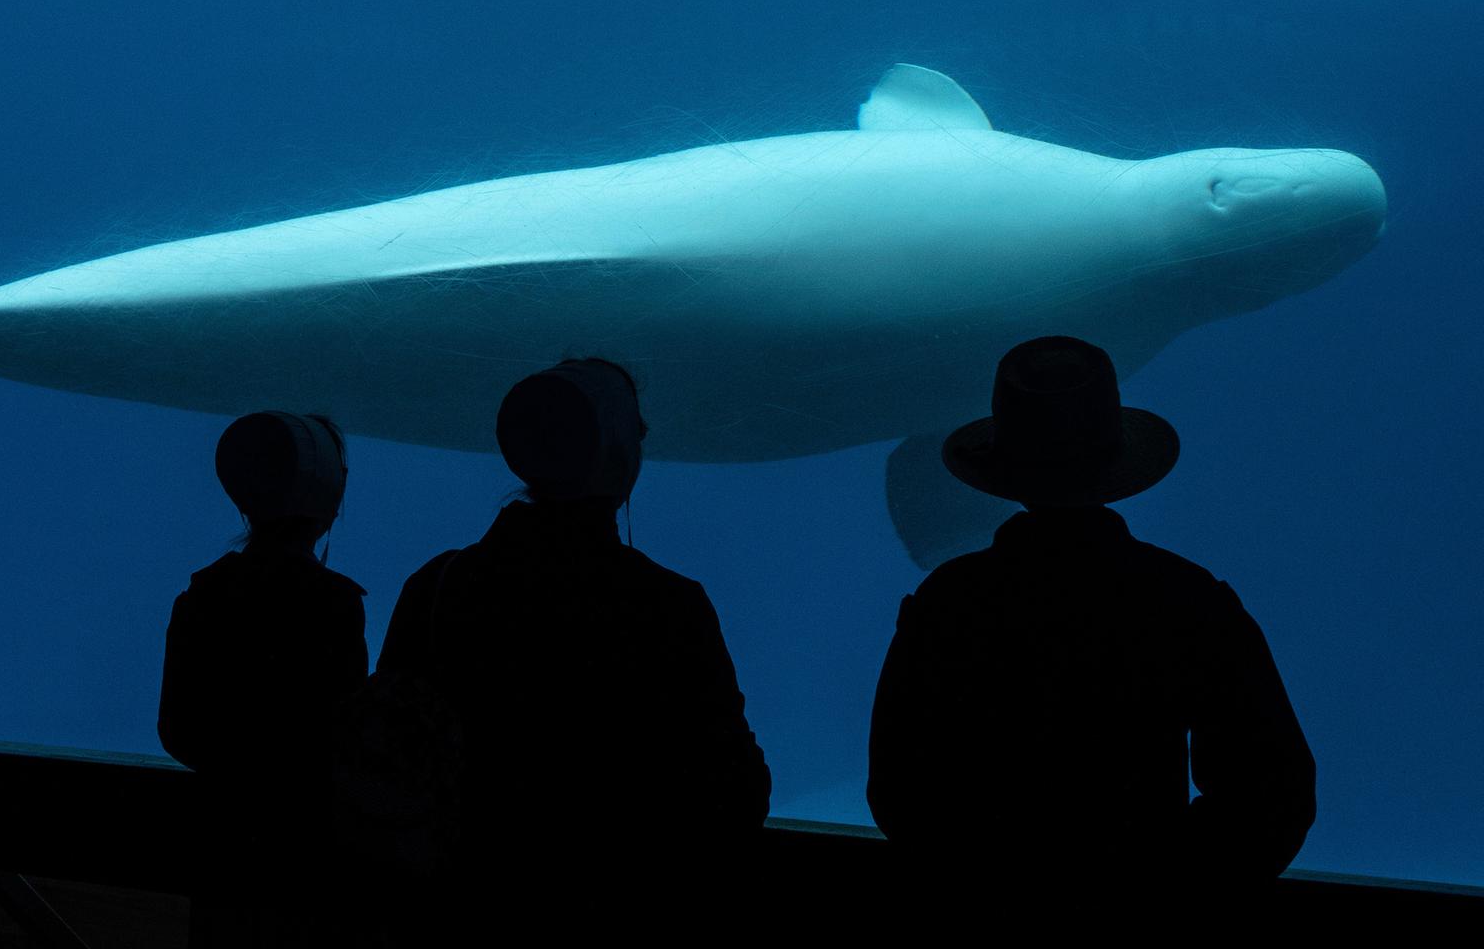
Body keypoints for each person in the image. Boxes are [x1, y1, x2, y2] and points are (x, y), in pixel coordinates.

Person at [866, 336, 1316, 920]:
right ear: (1117, 463)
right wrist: (1169, 887)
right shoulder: (1187, 598)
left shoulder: (951, 603)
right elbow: (1272, 792)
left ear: (1005, 469)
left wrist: (976, 881)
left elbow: (901, 790)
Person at [376, 359, 771, 942]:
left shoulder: (435, 586)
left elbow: (388, 754)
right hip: (615, 912)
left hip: (457, 909)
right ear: (615, 455)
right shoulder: (667, 605)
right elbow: (734, 793)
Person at [157, 411, 367, 947]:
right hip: (308, 846)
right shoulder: (335, 604)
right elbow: (346, 731)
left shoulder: (201, 597)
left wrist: (236, 770)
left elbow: (177, 729)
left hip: (222, 841)